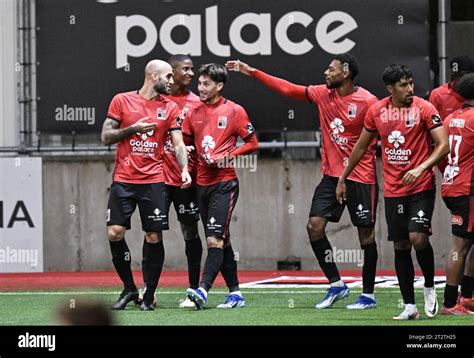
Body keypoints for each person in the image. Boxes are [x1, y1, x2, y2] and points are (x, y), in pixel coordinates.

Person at [226, 55, 379, 309]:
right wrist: (251, 71)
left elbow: (379, 132)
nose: (326, 72)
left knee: (365, 235)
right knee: (314, 227)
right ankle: (336, 285)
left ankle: (368, 295)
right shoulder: (322, 94)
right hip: (331, 176)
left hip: (360, 177)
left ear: (346, 72)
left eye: (331, 69)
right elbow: (287, 89)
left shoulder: (368, 101)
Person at [336, 64, 449, 320]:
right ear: (390, 88)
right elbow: (361, 146)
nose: (410, 89)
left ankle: (429, 287)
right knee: (400, 244)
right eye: (403, 85)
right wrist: (343, 177)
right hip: (394, 189)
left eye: (411, 83)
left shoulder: (424, 107)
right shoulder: (376, 111)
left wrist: (421, 168)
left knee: (418, 237)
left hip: (421, 185)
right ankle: (409, 306)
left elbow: (443, 146)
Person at [101, 59, 191, 311]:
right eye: (168, 77)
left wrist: (184, 169)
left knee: (153, 235)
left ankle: (149, 293)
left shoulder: (170, 108)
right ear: (153, 76)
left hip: (153, 181)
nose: (172, 82)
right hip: (123, 180)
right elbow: (105, 136)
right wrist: (133, 129)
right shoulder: (121, 100)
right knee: (114, 232)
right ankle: (129, 288)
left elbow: (178, 144)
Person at [182, 63, 259, 309]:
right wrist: (186, 163)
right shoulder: (193, 113)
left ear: (219, 85)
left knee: (214, 239)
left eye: (206, 84)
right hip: (200, 185)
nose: (200, 88)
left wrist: (229, 155)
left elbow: (253, 143)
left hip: (225, 184)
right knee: (223, 241)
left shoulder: (234, 111)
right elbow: (184, 145)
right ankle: (236, 293)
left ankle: (202, 290)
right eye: (200, 83)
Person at [429, 56, 474, 311]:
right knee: (460, 244)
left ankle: (465, 297)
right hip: (468, 190)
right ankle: (451, 302)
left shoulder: (450, 119)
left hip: (452, 185)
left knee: (465, 242)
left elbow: (441, 151)